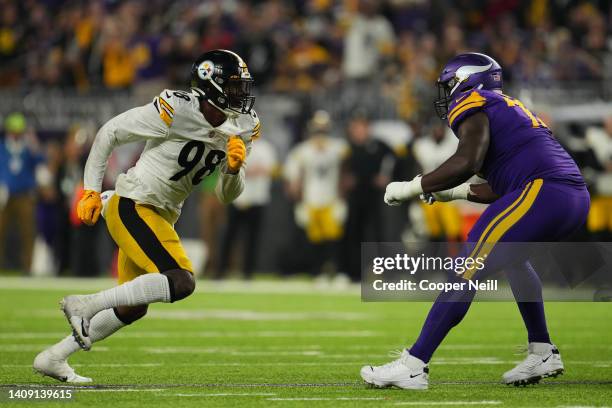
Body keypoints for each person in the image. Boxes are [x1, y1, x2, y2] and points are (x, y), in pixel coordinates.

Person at [361, 53, 589, 389]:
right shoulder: (505, 106)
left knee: (467, 264)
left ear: (467, 80)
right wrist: (451, 194)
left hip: (545, 190)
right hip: (569, 196)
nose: (446, 94)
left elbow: (468, 159)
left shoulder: (474, 100)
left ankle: (414, 363)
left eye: (449, 85)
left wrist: (413, 186)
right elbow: (502, 185)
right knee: (515, 260)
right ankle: (542, 350)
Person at [33, 49, 260, 382]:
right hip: (133, 203)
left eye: (244, 87)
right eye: (235, 87)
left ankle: (54, 356)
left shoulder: (243, 125)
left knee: (133, 307)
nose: (242, 95)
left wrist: (234, 169)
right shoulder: (176, 109)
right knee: (181, 280)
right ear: (210, 86)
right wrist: (91, 190)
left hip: (162, 214)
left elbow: (226, 195)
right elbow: (109, 132)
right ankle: (87, 303)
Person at [284, 110, 349, 277]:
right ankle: (317, 272)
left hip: (331, 199)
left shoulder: (339, 148)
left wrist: (343, 199)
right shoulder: (302, 151)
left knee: (333, 239)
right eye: (318, 128)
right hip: (310, 199)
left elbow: (347, 173)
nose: (320, 132)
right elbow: (292, 178)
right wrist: (298, 201)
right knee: (315, 240)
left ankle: (335, 270)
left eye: (323, 128)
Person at [217, 136, 277, 279]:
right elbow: (227, 167)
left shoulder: (265, 148)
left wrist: (246, 169)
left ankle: (248, 272)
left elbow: (271, 170)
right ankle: (220, 271)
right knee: (229, 236)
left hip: (257, 198)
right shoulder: (235, 145)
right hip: (236, 197)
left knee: (253, 238)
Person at [0, 113, 45, 273]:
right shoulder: (2, 147)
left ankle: (27, 267)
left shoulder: (28, 147)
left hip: (24, 194)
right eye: (14, 131)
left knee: (27, 232)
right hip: (4, 195)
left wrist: (35, 146)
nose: (17, 134)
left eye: (19, 131)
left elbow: (41, 161)